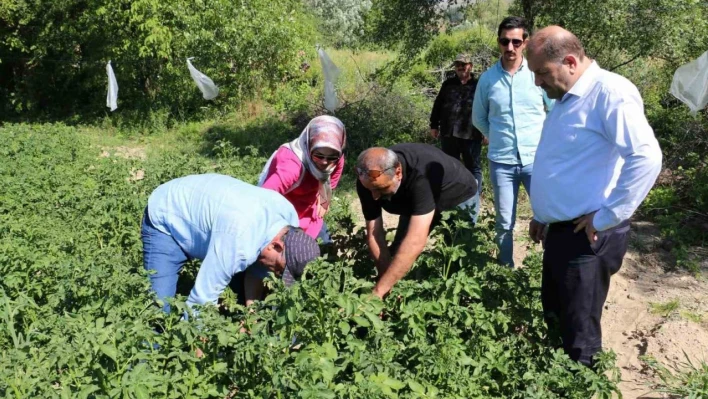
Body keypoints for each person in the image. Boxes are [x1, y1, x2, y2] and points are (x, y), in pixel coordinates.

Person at [526, 26, 662, 367]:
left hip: (588, 235)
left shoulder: (609, 93)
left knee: (579, 333)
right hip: (563, 231)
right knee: (557, 316)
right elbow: (567, 160)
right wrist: (544, 213)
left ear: (570, 61)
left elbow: (645, 158)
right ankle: (557, 382)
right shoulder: (567, 95)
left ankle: (581, 386)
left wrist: (606, 216)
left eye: (542, 73)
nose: (537, 83)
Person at [141, 173, 320, 313]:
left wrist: (251, 315)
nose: (277, 274)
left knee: (240, 294)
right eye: (281, 269)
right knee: (159, 307)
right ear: (276, 245)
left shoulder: (287, 220)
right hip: (168, 216)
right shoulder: (238, 241)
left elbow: (259, 268)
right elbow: (202, 300)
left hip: (207, 216)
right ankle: (147, 359)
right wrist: (202, 356)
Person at [472, 16, 553, 268]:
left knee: (550, 216)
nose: (510, 47)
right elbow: (479, 118)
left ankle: (554, 268)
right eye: (505, 41)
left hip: (536, 160)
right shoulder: (487, 80)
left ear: (525, 43)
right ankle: (505, 271)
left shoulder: (536, 74)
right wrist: (496, 136)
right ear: (498, 42)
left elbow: (553, 110)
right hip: (502, 162)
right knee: (504, 221)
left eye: (516, 42)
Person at [356, 144, 478, 299]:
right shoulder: (368, 180)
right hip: (414, 200)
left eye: (382, 189)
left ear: (398, 173)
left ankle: (455, 303)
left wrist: (379, 291)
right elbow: (375, 234)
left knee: (456, 259)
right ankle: (399, 294)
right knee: (398, 250)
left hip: (458, 196)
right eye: (370, 190)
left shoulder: (420, 176)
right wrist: (384, 282)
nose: (374, 197)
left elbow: (415, 241)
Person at [258, 115, 346, 244]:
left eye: (331, 157)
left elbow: (332, 179)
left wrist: (324, 199)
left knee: (323, 243)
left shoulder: (336, 156)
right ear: (309, 145)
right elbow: (262, 200)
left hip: (309, 202)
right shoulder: (291, 168)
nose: (325, 162)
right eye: (318, 156)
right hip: (282, 203)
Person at [430, 53, 487, 202]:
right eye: (458, 65)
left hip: (471, 133)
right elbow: (438, 105)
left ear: (470, 66)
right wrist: (434, 125)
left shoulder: (478, 85)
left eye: (464, 64)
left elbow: (486, 108)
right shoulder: (448, 84)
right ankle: (453, 198)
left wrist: (487, 132)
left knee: (473, 167)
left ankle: (474, 199)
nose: (461, 67)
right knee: (450, 166)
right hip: (448, 133)